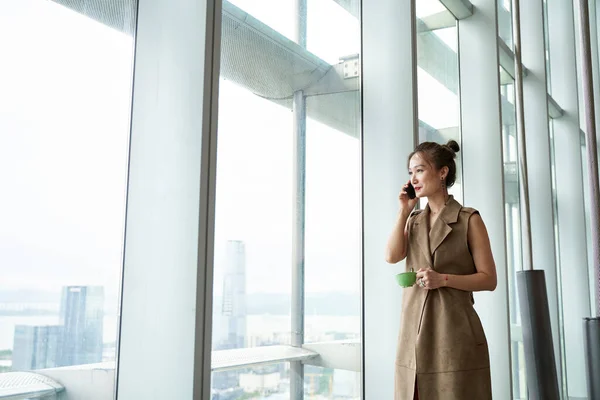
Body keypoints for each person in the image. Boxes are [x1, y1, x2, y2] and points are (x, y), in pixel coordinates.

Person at [385, 140, 497, 400]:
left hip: (453, 333)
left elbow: (489, 279)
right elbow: (391, 256)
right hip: (412, 333)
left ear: (442, 172)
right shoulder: (413, 221)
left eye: (420, 170)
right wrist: (403, 212)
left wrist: (442, 279)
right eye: (410, 172)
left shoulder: (469, 219)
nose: (413, 178)